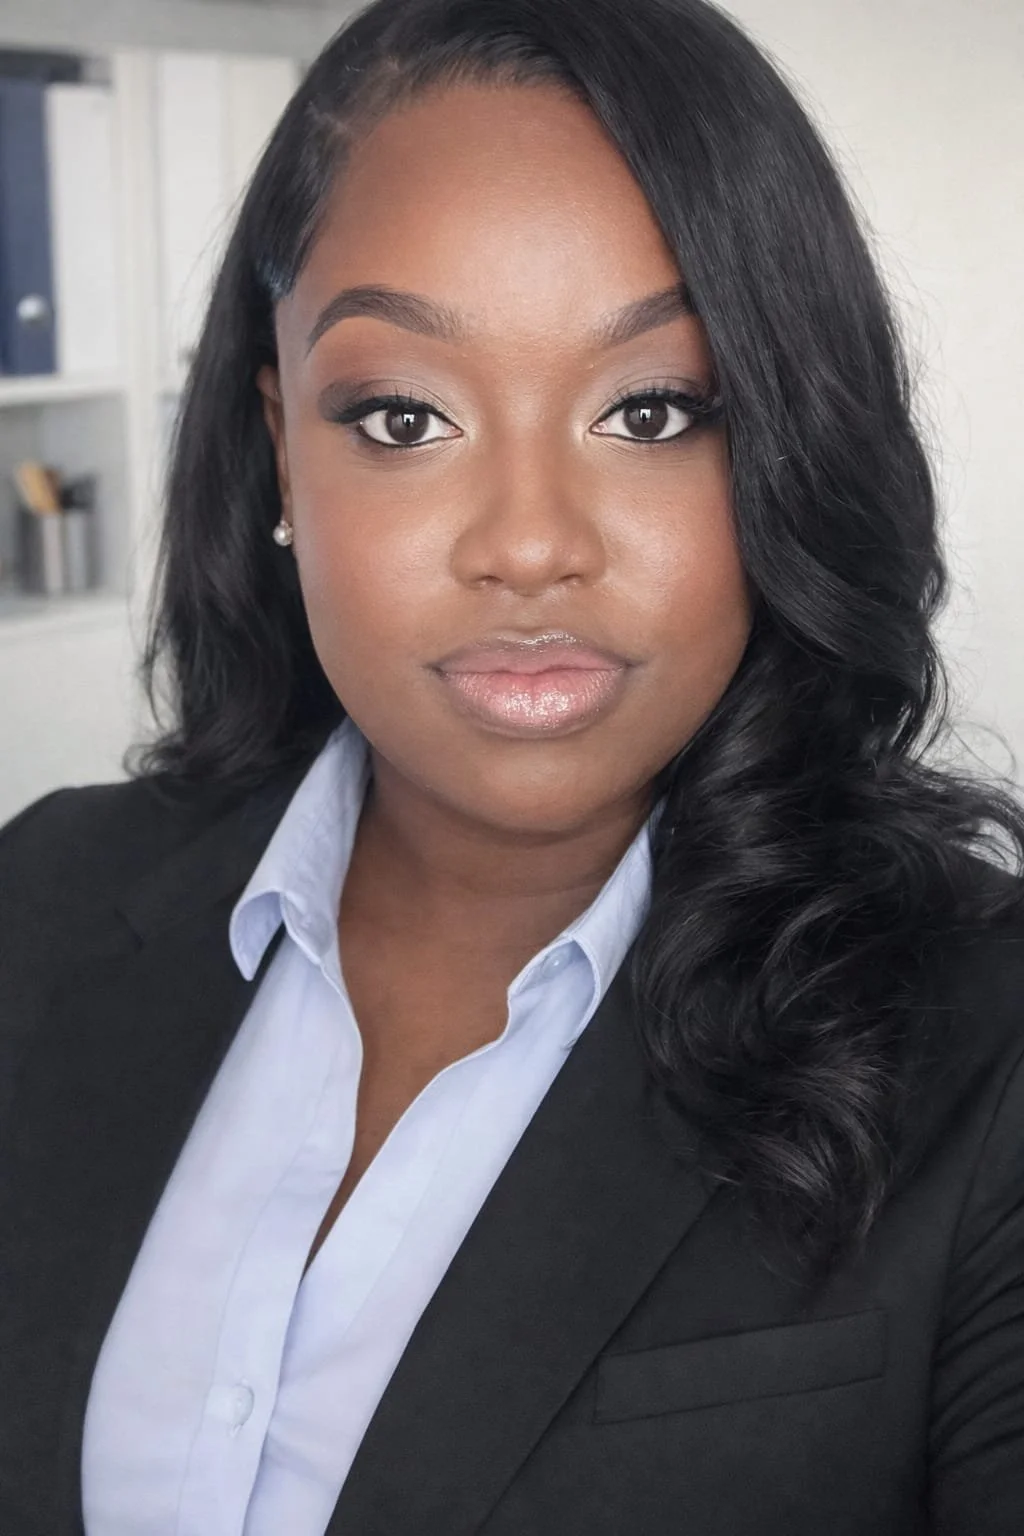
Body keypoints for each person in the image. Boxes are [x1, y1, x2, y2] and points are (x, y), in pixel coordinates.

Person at [1, 0, 1022, 1531]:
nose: (531, 543)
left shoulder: (989, 1047)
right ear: (284, 446)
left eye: (656, 409)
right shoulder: (41, 899)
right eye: (403, 415)